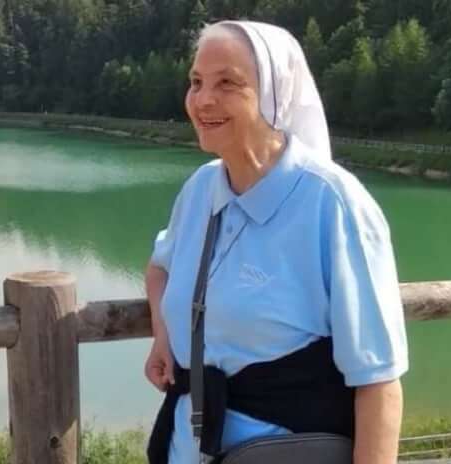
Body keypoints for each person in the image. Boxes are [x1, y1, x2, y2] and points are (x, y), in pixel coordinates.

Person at [143, 20, 409, 464]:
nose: (203, 99)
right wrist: (165, 332)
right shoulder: (200, 190)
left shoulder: (332, 204)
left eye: (227, 83)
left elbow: (379, 382)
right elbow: (161, 267)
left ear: (274, 95)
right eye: (196, 82)